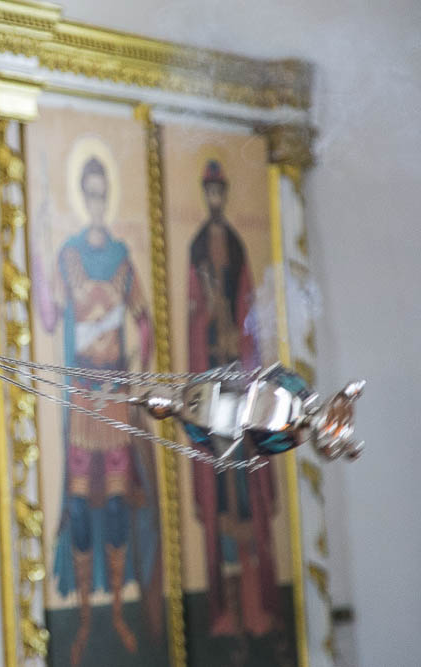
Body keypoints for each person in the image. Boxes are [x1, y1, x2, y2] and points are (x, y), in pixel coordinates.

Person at [33, 156, 161, 664]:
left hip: (117, 399)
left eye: (100, 192)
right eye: (87, 192)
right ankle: (85, 620)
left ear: (107, 195)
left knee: (115, 509)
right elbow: (49, 317)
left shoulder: (123, 260)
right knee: (83, 512)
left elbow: (145, 322)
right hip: (83, 398)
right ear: (81, 196)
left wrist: (138, 377)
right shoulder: (68, 256)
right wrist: (35, 251)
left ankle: (117, 615)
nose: (95, 201)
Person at [187, 159, 278, 638]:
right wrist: (208, 327)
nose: (216, 199)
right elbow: (193, 317)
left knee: (245, 494)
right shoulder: (197, 247)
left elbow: (248, 313)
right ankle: (227, 613)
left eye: (220, 191)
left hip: (239, 388)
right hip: (213, 390)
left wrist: (238, 343)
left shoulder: (238, 247)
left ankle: (255, 606)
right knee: (220, 493)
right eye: (211, 192)